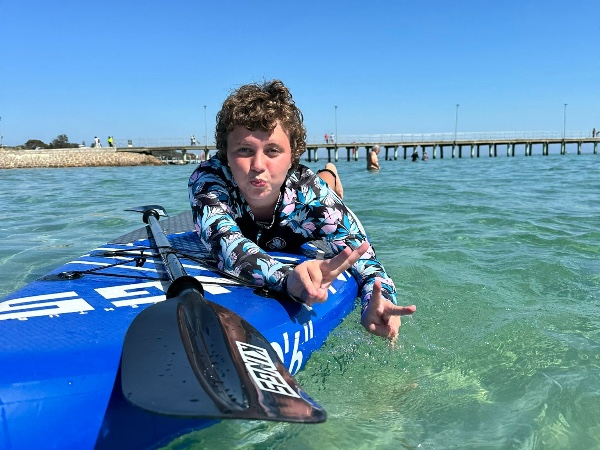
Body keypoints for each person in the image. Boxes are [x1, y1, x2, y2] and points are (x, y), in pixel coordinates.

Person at [188, 80, 415, 340]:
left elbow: (366, 258)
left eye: (273, 151)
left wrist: (379, 299)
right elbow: (224, 243)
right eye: (244, 150)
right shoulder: (208, 181)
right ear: (225, 155)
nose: (258, 165)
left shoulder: (311, 194)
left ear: (293, 156)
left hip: (303, 196)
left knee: (323, 188)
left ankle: (330, 173)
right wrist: (286, 279)